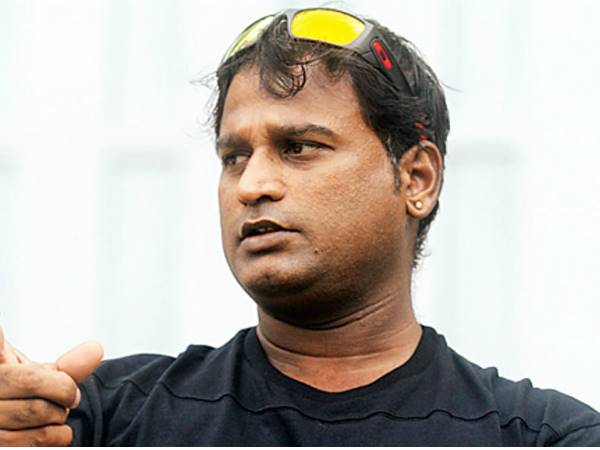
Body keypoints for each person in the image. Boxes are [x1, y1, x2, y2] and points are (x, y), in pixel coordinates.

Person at [1, 7, 599, 446]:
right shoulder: (96, 420)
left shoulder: (541, 436)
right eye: (234, 156)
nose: (253, 184)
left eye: (299, 147)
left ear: (416, 177)